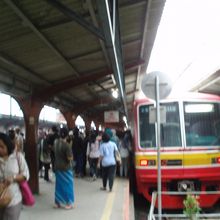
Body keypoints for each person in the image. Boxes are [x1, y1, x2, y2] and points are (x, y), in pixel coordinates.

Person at [0, 132, 30, 220]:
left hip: (13, 199)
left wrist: (13, 178)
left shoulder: (17, 156)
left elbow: (25, 175)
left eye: (2, 147)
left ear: (8, 146)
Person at [53, 127, 74, 210]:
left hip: (57, 167)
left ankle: (57, 203)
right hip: (66, 168)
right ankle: (69, 203)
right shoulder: (67, 146)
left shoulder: (55, 142)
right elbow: (69, 158)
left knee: (58, 185)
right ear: (67, 135)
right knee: (68, 185)